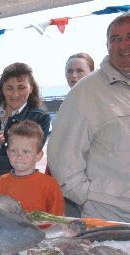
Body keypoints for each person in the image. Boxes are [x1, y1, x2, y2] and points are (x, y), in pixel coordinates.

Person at [48, 13, 130, 223]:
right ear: (107, 45)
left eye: (129, 36)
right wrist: (87, 198)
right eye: (116, 39)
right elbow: (61, 155)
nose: (123, 45)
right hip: (109, 214)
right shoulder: (87, 91)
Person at [0, 120, 65, 216]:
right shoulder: (2, 182)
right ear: (7, 153)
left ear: (38, 156)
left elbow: (59, 222)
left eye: (26, 152)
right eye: (14, 151)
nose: (19, 156)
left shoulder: (49, 185)